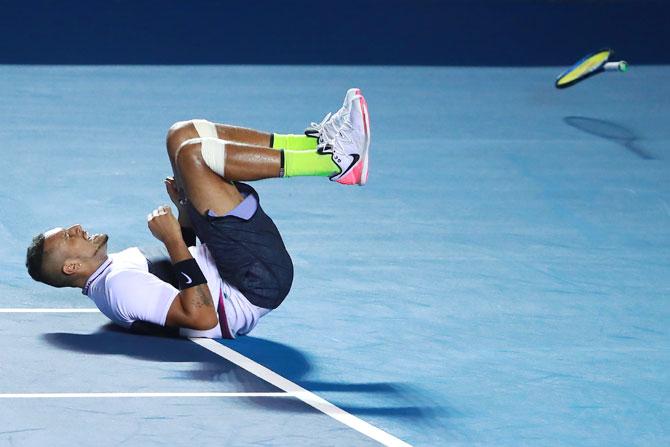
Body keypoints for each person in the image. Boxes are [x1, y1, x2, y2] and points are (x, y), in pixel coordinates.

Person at [25, 89, 371, 338]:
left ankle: (317, 145)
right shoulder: (118, 288)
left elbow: (185, 267)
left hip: (231, 267)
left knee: (182, 135)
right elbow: (202, 316)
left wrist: (184, 211)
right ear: (72, 268)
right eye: (68, 236)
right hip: (253, 283)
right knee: (194, 158)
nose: (76, 227)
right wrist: (172, 238)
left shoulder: (112, 272)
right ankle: (336, 161)